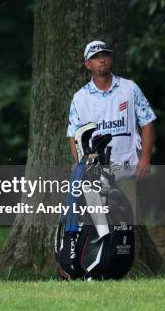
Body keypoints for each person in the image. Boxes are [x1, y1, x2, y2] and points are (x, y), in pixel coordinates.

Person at [67, 40, 156, 205]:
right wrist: (82, 165)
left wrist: (145, 157)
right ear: (88, 64)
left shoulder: (129, 88)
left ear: (111, 59)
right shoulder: (80, 98)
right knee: (98, 227)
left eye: (105, 55)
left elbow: (147, 123)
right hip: (95, 175)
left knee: (126, 224)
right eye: (96, 57)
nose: (102, 60)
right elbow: (73, 136)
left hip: (126, 171)